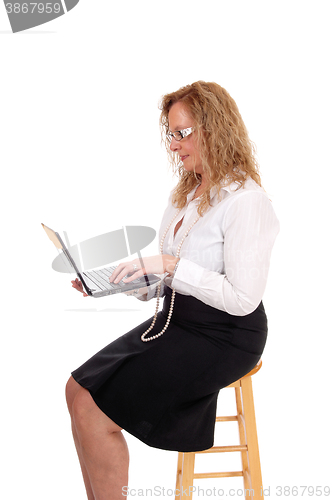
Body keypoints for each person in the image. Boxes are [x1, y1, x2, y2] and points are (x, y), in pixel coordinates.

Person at [66, 81, 279, 500]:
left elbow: (242, 299)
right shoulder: (187, 194)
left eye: (183, 133)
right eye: (171, 133)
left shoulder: (247, 202)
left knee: (94, 409)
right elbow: (172, 280)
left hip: (227, 335)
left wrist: (170, 265)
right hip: (177, 320)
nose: (175, 145)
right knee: (76, 390)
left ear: (214, 130)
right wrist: (122, 282)